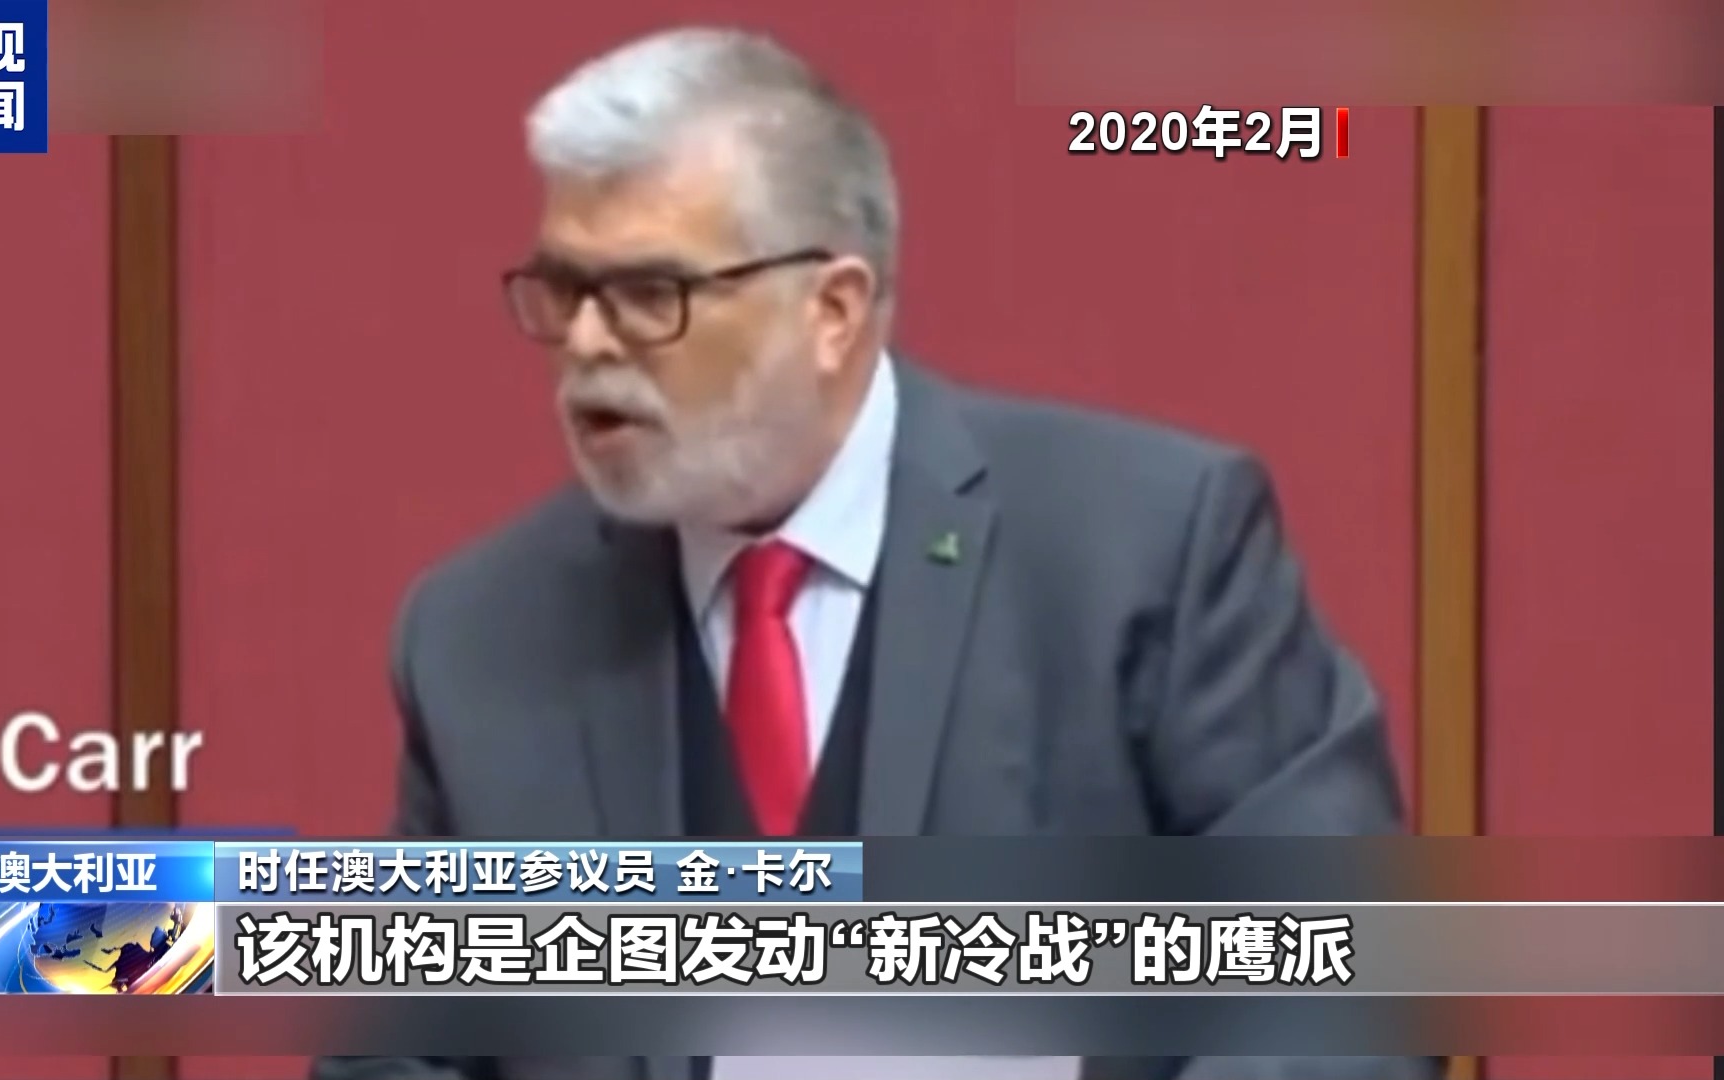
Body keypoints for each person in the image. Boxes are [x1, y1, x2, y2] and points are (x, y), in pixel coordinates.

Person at [313, 25, 1433, 1080]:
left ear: (834, 311)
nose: (590, 342)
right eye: (566, 291)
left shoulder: (1142, 553)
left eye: (652, 293)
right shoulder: (479, 639)